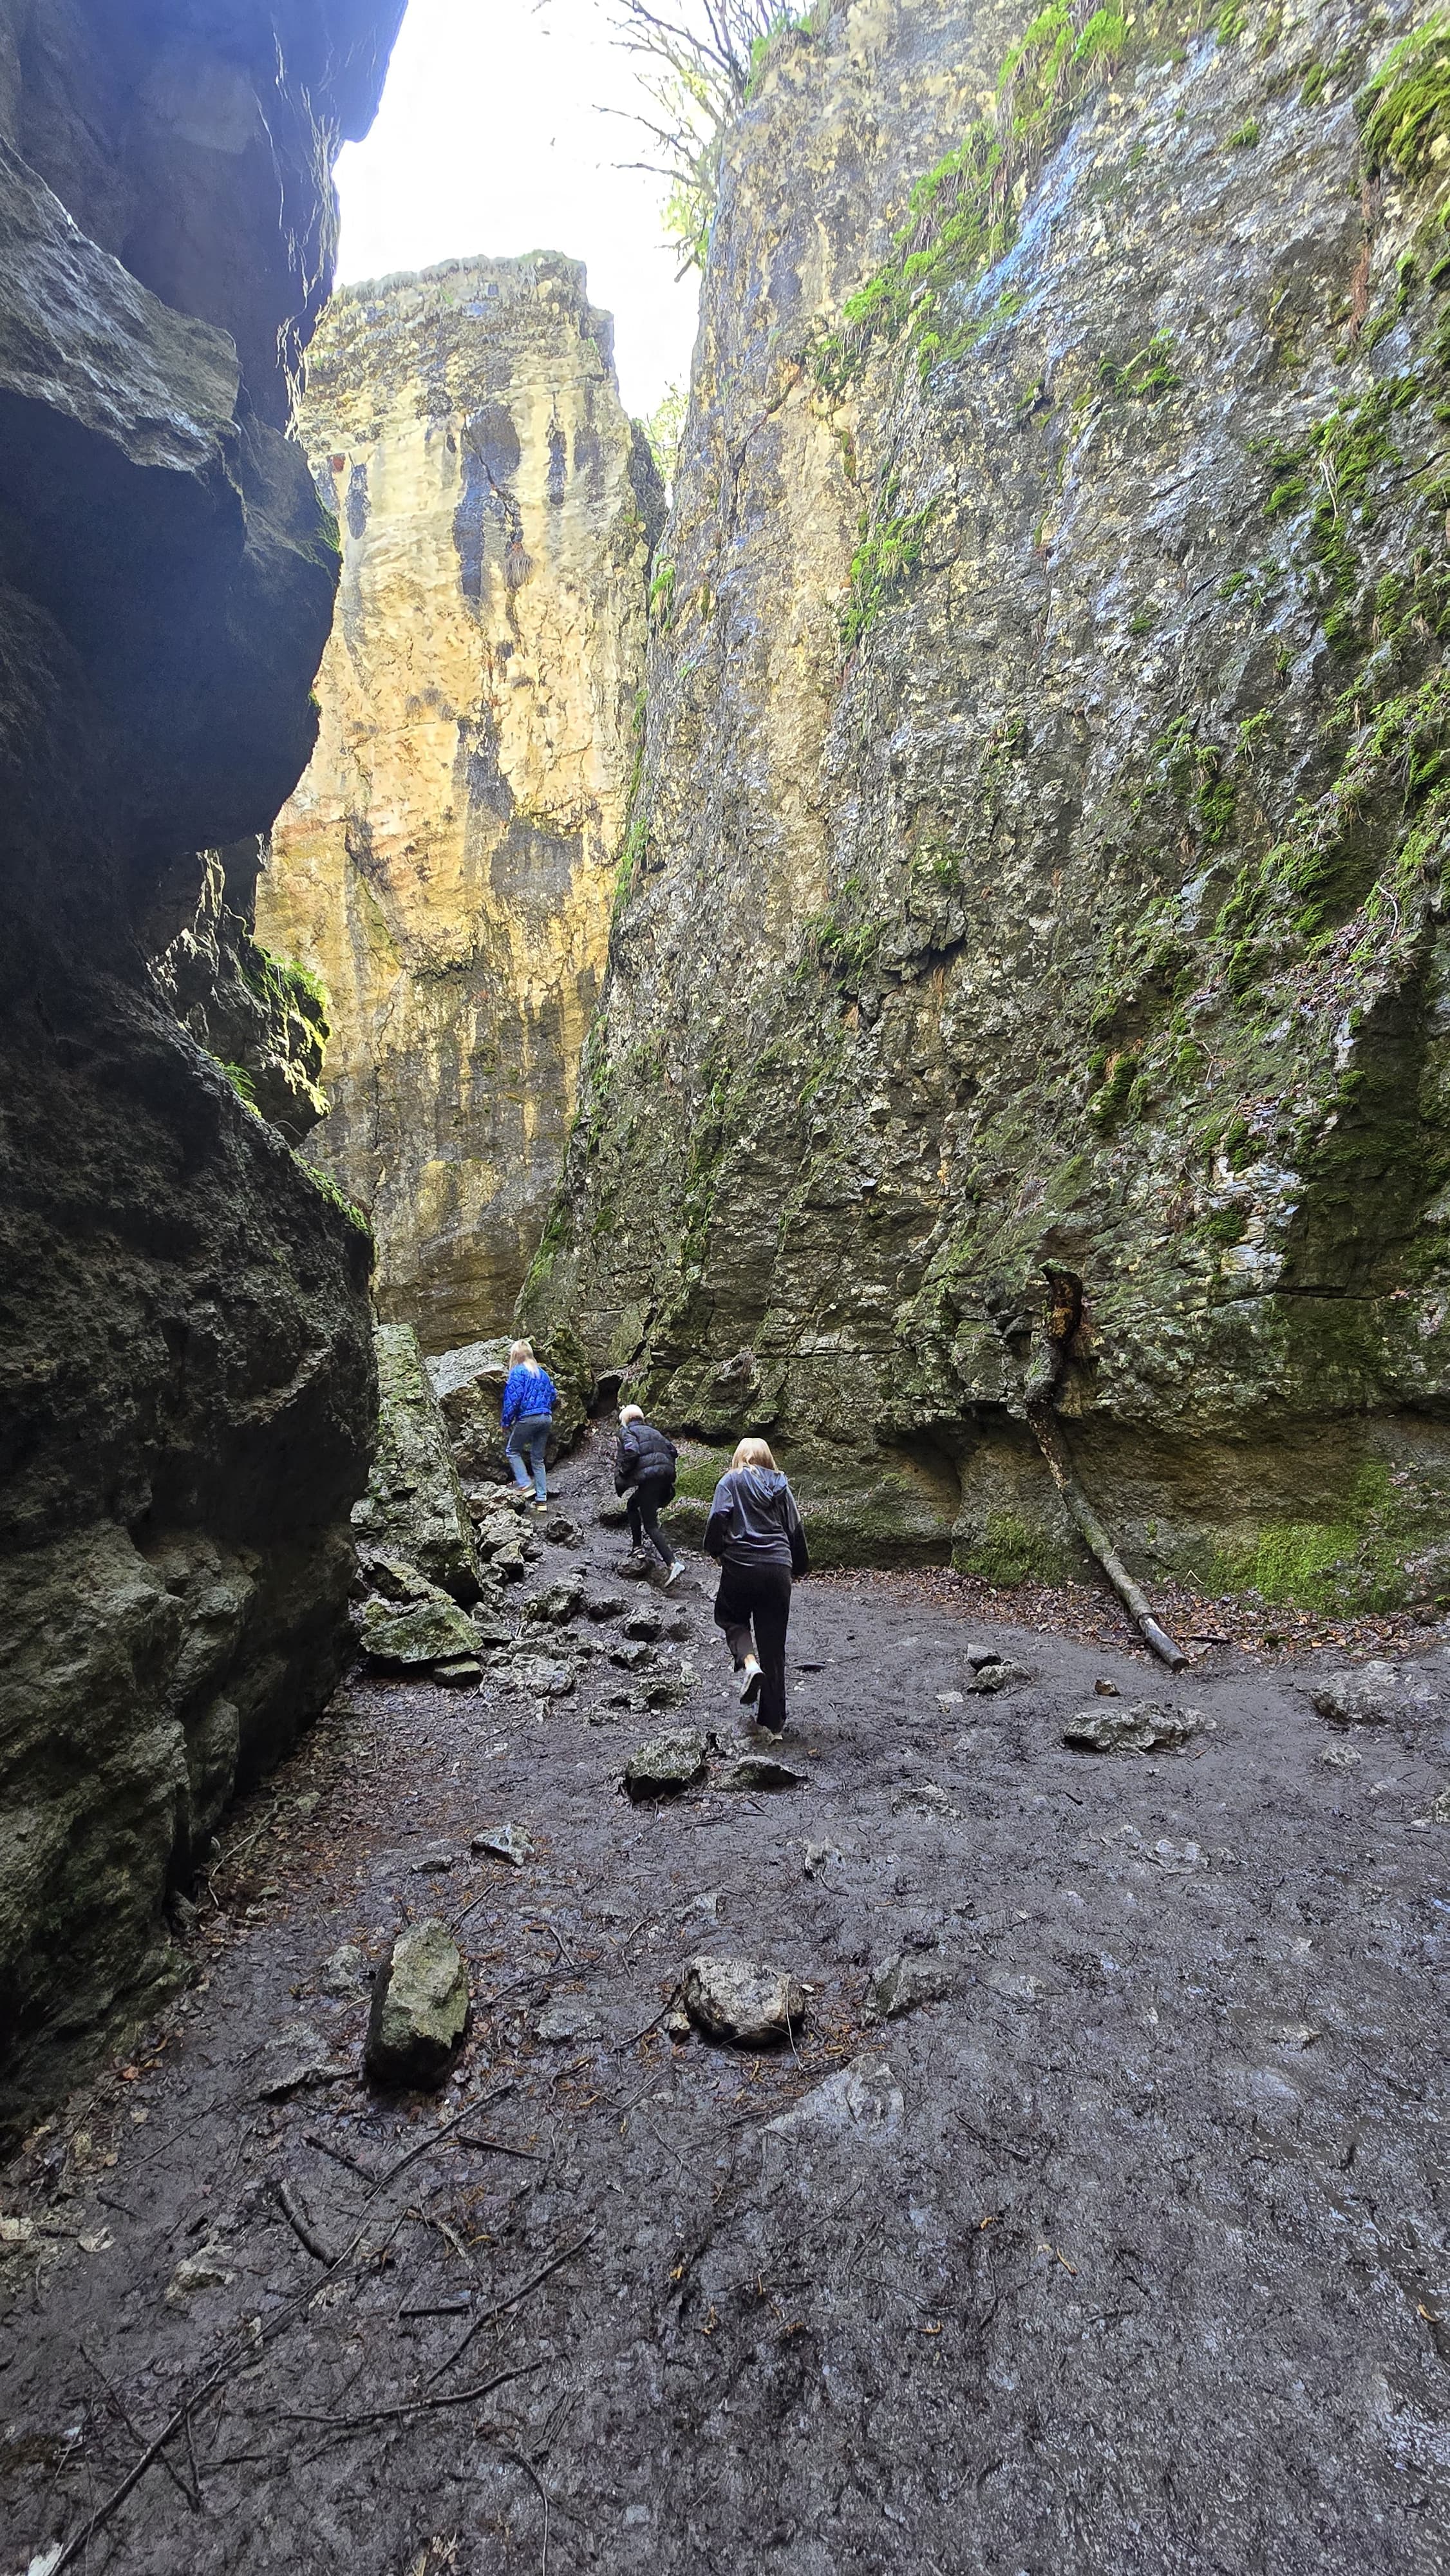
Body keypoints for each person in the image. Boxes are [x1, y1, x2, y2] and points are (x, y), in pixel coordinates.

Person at [703, 1437, 809, 1739]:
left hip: (741, 1565)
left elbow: (717, 1519)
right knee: (774, 1648)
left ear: (739, 1458)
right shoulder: (781, 1485)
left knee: (730, 1618)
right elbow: (794, 1528)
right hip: (778, 1568)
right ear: (767, 1459)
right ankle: (773, 1726)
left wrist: (716, 1550)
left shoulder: (730, 1481)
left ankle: (750, 1665)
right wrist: (798, 1567)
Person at [614, 1403, 684, 1586]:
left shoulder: (627, 1432)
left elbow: (632, 1451)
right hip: (663, 1479)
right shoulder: (655, 1432)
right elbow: (673, 1451)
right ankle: (638, 1547)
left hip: (649, 1481)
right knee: (632, 1505)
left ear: (625, 1420)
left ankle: (672, 1563)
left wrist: (624, 1471)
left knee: (651, 1524)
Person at [500, 1338, 557, 1512]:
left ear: (515, 1355)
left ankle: (525, 1484)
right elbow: (553, 1395)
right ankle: (541, 1501)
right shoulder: (542, 1373)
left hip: (528, 1417)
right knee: (538, 1459)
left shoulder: (518, 1372)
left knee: (513, 1450)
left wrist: (506, 1422)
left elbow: (512, 1400)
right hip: (546, 1417)